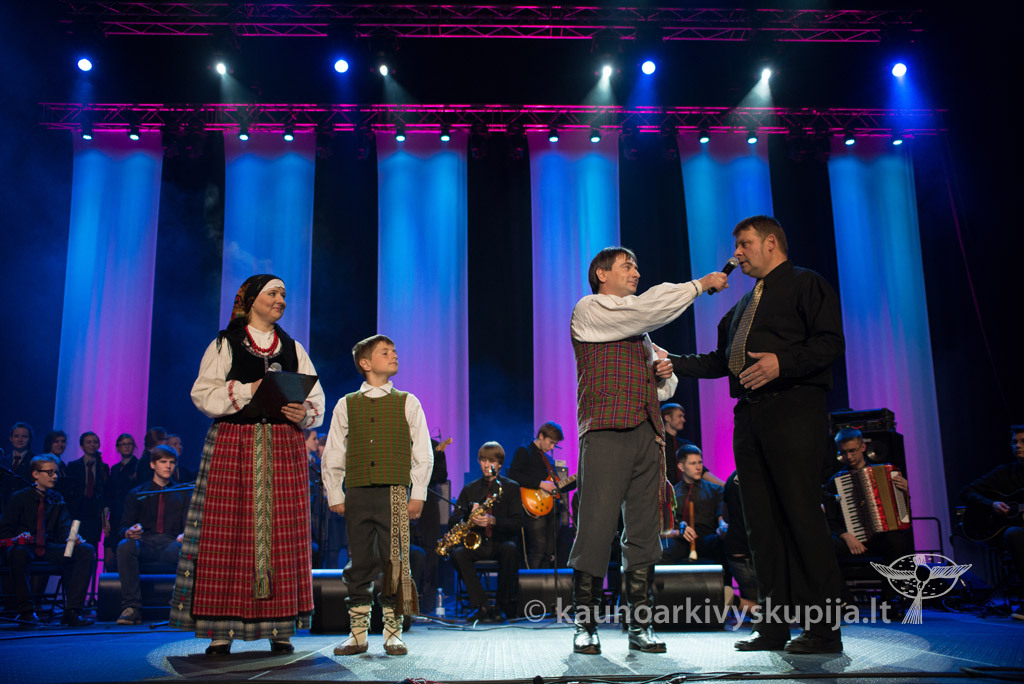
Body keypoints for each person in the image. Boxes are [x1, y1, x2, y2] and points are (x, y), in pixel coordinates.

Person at [671, 215, 845, 654]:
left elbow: (829, 343)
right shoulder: (743, 306)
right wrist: (673, 362)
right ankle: (773, 627)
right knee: (760, 526)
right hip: (749, 417)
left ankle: (824, 629)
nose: (736, 254)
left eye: (744, 244)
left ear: (771, 242)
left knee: (801, 518)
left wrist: (781, 363)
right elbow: (720, 361)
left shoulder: (806, 283)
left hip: (794, 410)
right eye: (736, 246)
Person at [569, 245, 727, 655]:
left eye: (637, 266)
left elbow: (662, 389)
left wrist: (663, 373)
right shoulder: (589, 308)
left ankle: (640, 624)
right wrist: (697, 286)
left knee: (643, 532)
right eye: (627, 266)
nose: (636, 272)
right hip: (606, 430)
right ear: (602, 274)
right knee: (596, 527)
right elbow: (642, 311)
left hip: (647, 433)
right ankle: (585, 623)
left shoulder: (642, 333)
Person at [169, 274, 325, 656]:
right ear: (251, 299)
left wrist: (303, 412)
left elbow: (316, 398)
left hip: (283, 447)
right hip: (234, 444)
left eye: (284, 294)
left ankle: (281, 628)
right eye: (273, 293)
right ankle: (220, 631)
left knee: (283, 534)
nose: (281, 299)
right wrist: (248, 389)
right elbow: (202, 393)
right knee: (227, 532)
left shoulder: (293, 347)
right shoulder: (226, 342)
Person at [321, 334, 432, 656]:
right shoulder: (346, 404)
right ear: (365, 363)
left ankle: (392, 632)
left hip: (394, 492)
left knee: (394, 560)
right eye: (385, 352)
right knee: (360, 561)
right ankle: (357, 633)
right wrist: (334, 493)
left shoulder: (408, 401)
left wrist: (418, 493)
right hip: (357, 492)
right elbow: (333, 452)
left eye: (394, 351)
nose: (394, 355)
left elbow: (423, 452)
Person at [0, 455, 95, 626]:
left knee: (86, 550)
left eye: (55, 472)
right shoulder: (18, 498)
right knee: (18, 552)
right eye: (49, 472)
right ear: (35, 474)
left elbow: (64, 528)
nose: (55, 476)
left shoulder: (57, 498)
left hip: (49, 547)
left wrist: (71, 538)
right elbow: (5, 530)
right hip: (25, 546)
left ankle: (72, 612)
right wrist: (17, 538)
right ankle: (27, 613)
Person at [824, 427, 912, 612]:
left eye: (852, 451)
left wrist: (904, 492)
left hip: (879, 536)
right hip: (851, 539)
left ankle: (890, 601)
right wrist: (846, 535)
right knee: (825, 547)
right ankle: (845, 601)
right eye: (843, 452)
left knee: (897, 541)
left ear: (863, 447)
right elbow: (830, 518)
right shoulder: (835, 482)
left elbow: (902, 512)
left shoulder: (886, 473)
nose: (848, 457)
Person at [115, 445, 191, 625]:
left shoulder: (183, 492)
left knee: (191, 547)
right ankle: (131, 607)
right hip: (145, 544)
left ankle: (181, 604)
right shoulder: (138, 493)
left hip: (171, 544)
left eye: (172, 462)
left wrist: (186, 534)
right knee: (124, 546)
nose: (168, 466)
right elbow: (123, 526)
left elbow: (190, 525)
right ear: (152, 464)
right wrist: (129, 532)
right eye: (163, 462)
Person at [450, 441, 523, 622]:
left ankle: (501, 606)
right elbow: (453, 519)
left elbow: (517, 523)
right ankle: (481, 605)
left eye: (491, 461)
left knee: (510, 550)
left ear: (500, 464)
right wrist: (468, 517)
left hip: (501, 542)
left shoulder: (511, 487)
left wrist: (493, 520)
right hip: (478, 543)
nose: (486, 465)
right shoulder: (470, 489)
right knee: (458, 554)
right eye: (483, 460)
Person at [961, 425, 1024, 618]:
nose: (1018, 446)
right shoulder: (1004, 473)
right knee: (1014, 533)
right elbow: (967, 491)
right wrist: (992, 504)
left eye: (1023, 442)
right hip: (1008, 533)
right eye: (1014, 442)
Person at [509, 421, 574, 570]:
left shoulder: (548, 460)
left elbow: (556, 485)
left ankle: (544, 584)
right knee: (538, 550)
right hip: (534, 508)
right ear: (541, 436)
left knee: (548, 552)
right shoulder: (524, 451)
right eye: (551, 442)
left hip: (551, 508)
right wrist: (540, 484)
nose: (552, 448)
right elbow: (513, 475)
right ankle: (531, 583)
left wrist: (572, 482)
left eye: (555, 444)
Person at [661, 445, 727, 568]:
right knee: (662, 551)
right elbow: (662, 529)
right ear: (681, 467)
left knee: (725, 543)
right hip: (681, 540)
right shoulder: (671, 494)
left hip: (706, 538)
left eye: (700, 462)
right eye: (692, 463)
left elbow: (721, 516)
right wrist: (678, 533)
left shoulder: (715, 490)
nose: (698, 467)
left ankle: (725, 580)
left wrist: (723, 526)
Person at [104, 433, 142, 571]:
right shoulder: (114, 468)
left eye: (129, 444)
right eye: (123, 444)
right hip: (114, 515)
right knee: (110, 559)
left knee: (126, 557)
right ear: (117, 448)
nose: (126, 447)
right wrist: (105, 518)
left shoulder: (139, 466)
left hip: (130, 515)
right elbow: (108, 494)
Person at [65, 431, 110, 549]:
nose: (92, 445)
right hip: (77, 510)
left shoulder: (103, 467)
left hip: (94, 511)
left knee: (92, 545)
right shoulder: (73, 466)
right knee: (72, 544)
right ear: (82, 446)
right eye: (88, 442)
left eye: (95, 442)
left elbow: (106, 490)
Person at [722, 471, 758, 613]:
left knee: (764, 609)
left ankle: (734, 601)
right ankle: (734, 601)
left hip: (736, 552)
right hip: (753, 553)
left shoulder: (731, 479)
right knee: (775, 610)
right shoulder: (760, 478)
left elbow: (726, 516)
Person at [2, 423, 35, 514]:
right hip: (4, 509)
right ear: (11, 438)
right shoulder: (2, 461)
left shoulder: (36, 462)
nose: (20, 440)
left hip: (26, 510)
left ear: (30, 439)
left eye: (24, 436)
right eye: (16, 436)